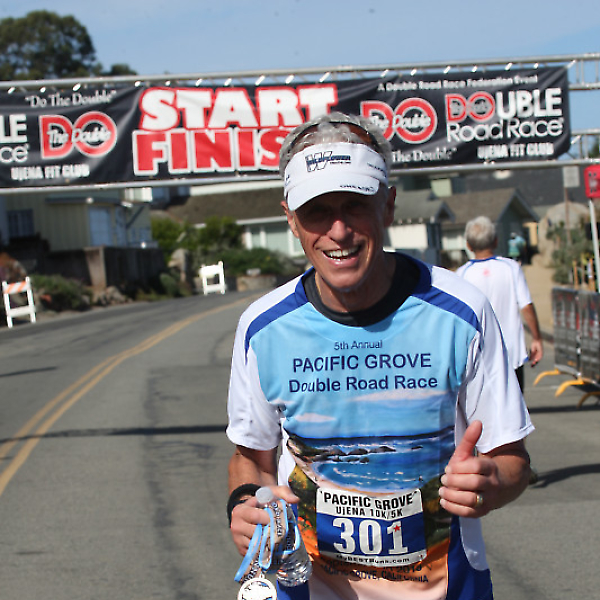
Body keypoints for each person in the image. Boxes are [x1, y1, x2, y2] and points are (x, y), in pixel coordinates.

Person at [226, 112, 533, 600]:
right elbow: (252, 458)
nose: (339, 231)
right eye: (316, 211)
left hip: (447, 587)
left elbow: (512, 460)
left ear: (388, 205)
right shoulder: (263, 328)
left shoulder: (462, 311)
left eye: (355, 205)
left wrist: (491, 481)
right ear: (290, 218)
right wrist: (245, 502)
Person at [456, 216, 543, 392]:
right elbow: (526, 305)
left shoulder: (462, 274)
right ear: (495, 241)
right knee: (515, 404)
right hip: (511, 352)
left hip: (479, 355)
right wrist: (536, 338)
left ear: (469, 245)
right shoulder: (511, 268)